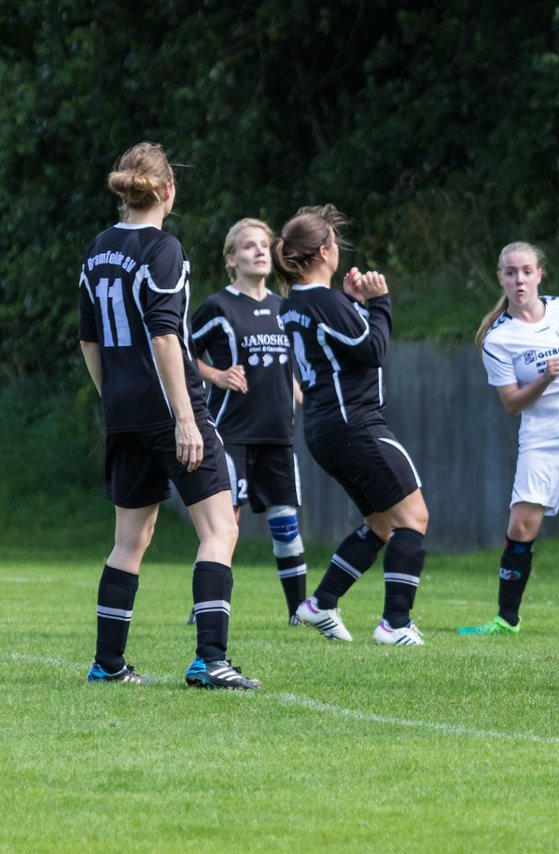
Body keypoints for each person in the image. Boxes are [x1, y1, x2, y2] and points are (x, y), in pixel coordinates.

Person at [78, 142, 260, 689]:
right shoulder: (164, 248)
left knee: (131, 539)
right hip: (168, 407)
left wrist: (116, 397)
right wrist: (184, 417)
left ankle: (107, 665)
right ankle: (210, 660)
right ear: (168, 191)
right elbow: (164, 334)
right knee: (220, 527)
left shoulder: (97, 249)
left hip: (125, 411)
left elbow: (89, 340)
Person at [275, 205, 429, 646]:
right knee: (413, 518)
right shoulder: (324, 301)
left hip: (325, 429)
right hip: (355, 424)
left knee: (382, 524)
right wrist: (380, 302)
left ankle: (321, 602)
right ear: (325, 251)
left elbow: (342, 345)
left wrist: (355, 305)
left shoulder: (297, 303)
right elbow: (373, 349)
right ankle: (394, 624)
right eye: (335, 243)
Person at [459, 242, 559, 639]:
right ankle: (506, 619)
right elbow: (512, 403)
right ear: (501, 279)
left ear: (539, 274)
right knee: (523, 522)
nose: (519, 279)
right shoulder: (498, 340)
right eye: (510, 273)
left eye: (526, 271)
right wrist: (544, 378)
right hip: (543, 432)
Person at [191, 218, 309, 625]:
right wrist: (217, 375)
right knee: (227, 524)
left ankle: (299, 611)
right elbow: (182, 355)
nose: (259, 251)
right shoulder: (218, 307)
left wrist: (296, 385)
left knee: (285, 523)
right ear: (231, 258)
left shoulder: (284, 307)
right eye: (248, 246)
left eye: (264, 244)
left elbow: (291, 359)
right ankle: (204, 603)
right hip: (231, 435)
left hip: (278, 435)